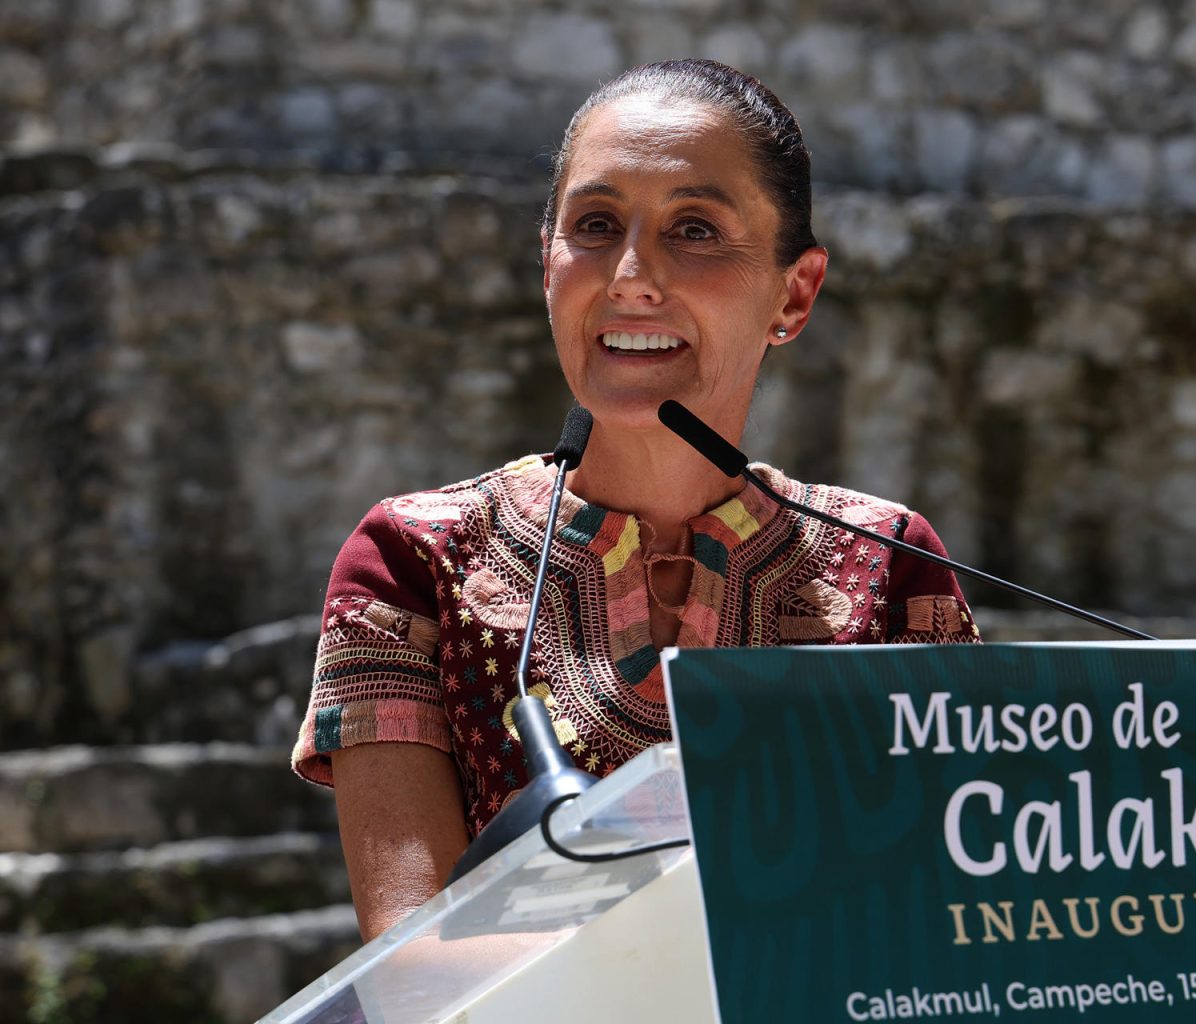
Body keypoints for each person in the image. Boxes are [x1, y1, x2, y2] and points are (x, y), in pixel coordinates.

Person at [292, 59, 981, 941]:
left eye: (695, 229)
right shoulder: (410, 560)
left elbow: (935, 921)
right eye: (595, 225)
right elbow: (418, 968)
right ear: (548, 264)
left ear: (795, 292)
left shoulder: (892, 565)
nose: (630, 275)